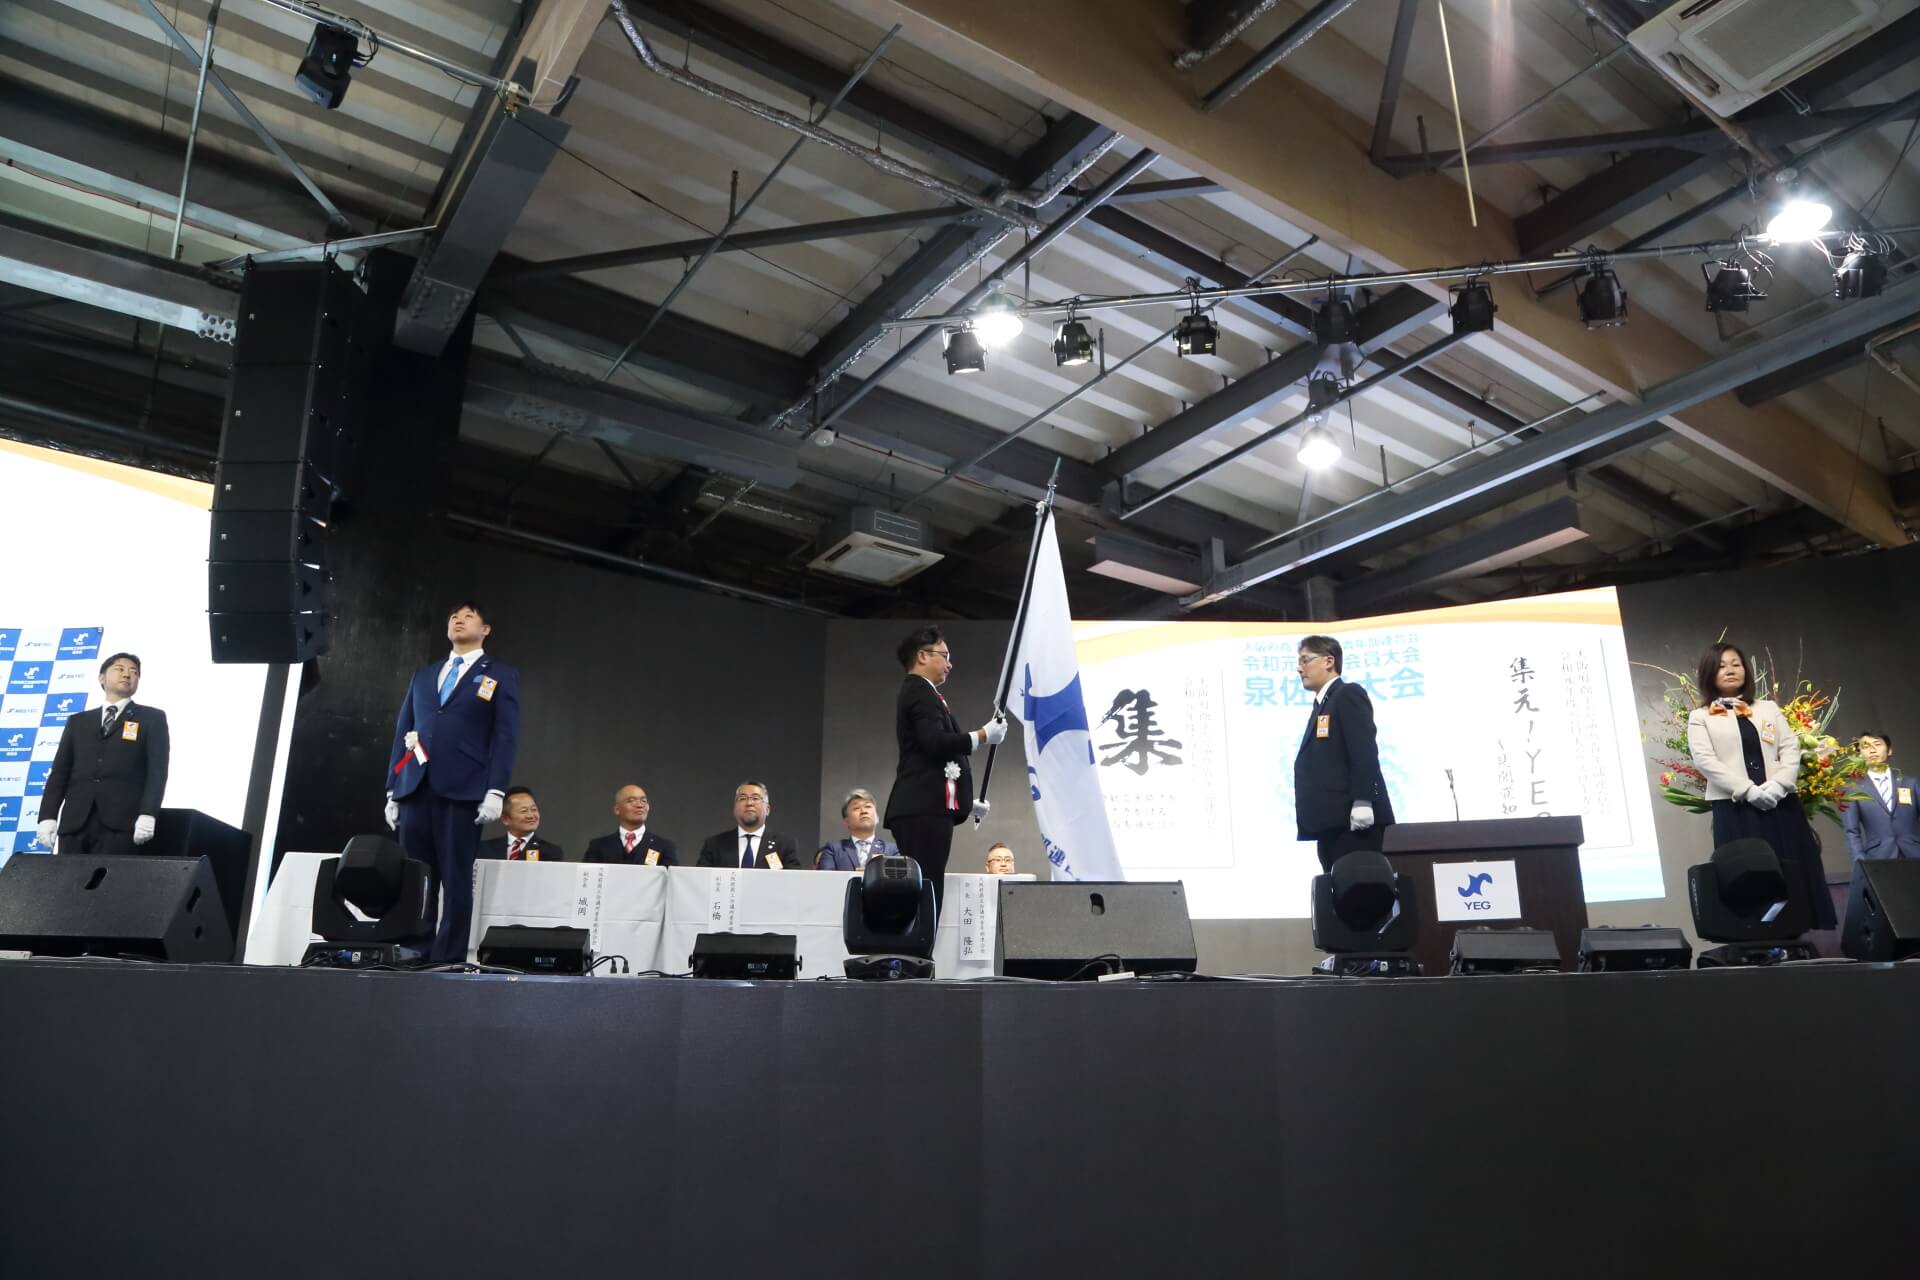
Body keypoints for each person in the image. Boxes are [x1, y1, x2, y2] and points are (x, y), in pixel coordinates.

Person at [385, 602, 521, 961]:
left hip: (463, 789)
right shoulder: (424, 674)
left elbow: (505, 737)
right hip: (415, 786)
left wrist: (495, 790)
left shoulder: (500, 674)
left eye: (468, 616)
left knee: (456, 878)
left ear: (485, 629)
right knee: (416, 877)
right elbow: (403, 730)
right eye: (453, 616)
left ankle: (447, 958)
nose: (458, 620)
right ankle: (414, 951)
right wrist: (392, 788)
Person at [1685, 642, 1835, 928]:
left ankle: (1798, 929)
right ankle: (1757, 932)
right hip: (1736, 808)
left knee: (1793, 869)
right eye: (1721, 666)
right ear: (1708, 673)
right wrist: (1748, 791)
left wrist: (1779, 786)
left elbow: (1790, 748)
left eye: (1736, 664)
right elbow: (1705, 761)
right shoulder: (1700, 717)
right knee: (1748, 874)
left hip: (1781, 803)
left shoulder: (1767, 708)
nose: (1730, 670)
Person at [883, 627, 1006, 901]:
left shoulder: (923, 692)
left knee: (928, 887)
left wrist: (965, 803)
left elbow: (934, 762)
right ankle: (924, 931)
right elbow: (934, 742)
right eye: (945, 655)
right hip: (922, 809)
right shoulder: (919, 691)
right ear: (922, 656)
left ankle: (924, 930)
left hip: (925, 807)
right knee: (927, 890)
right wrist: (982, 735)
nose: (950, 664)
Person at [37, 652, 169, 857]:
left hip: (122, 824)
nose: (127, 675)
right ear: (101, 678)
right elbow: (60, 772)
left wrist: (148, 813)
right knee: (68, 878)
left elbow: (157, 772)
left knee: (115, 878)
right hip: (75, 824)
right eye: (120, 669)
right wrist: (47, 816)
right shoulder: (78, 721)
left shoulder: (152, 718)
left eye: (134, 672)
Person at [1293, 634, 1395, 873]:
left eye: (1305, 660)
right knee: (1336, 889)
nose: (1300, 669)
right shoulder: (1322, 705)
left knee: (1359, 887)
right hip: (1331, 825)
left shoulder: (1347, 694)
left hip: (1354, 823)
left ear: (1329, 661)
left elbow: (1363, 749)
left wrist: (1363, 800)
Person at [1842, 732, 1920, 861]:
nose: (1872, 750)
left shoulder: (1911, 783)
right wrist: (1860, 860)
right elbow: (1851, 831)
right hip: (1878, 859)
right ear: (1860, 754)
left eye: (1877, 744)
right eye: (1865, 746)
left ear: (1889, 750)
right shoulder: (1854, 790)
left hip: (1915, 855)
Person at [695, 781, 800, 870]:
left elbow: (793, 882)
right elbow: (701, 880)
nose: (749, 803)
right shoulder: (714, 844)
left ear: (767, 809)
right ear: (734, 809)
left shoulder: (785, 845)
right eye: (742, 798)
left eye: (755, 798)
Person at [584, 784, 677, 866]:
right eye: (631, 800)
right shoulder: (599, 846)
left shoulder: (663, 846)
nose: (640, 805)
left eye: (644, 801)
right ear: (617, 809)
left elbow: (673, 879)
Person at [815, 788, 898, 870]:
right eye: (856, 808)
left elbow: (898, 877)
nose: (864, 811)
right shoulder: (833, 850)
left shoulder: (892, 850)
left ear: (877, 818)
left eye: (868, 806)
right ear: (846, 821)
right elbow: (826, 877)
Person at [477, 786, 565, 862]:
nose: (531, 816)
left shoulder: (551, 852)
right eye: (524, 811)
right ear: (506, 819)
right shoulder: (484, 849)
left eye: (534, 809)